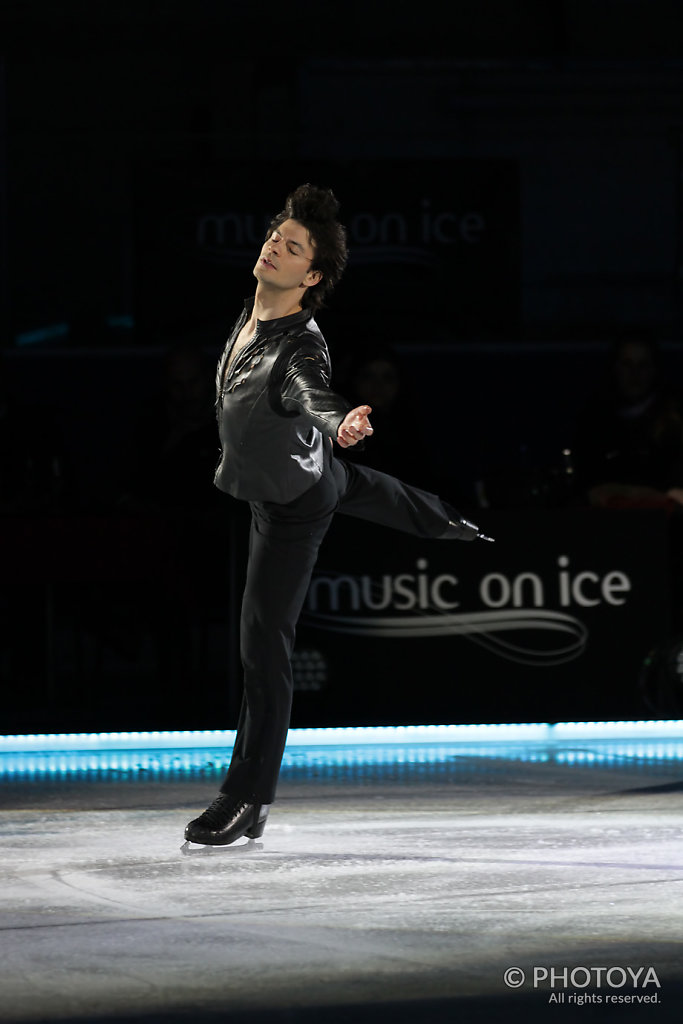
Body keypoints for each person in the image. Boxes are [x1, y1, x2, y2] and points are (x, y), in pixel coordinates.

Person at [184, 184, 492, 847]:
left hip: (293, 499)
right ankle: (448, 521)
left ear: (312, 276)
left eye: (292, 247)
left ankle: (245, 798)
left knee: (263, 646)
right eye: (275, 234)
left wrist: (337, 417)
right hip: (302, 471)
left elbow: (308, 389)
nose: (274, 245)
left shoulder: (299, 344)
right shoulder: (253, 310)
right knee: (361, 487)